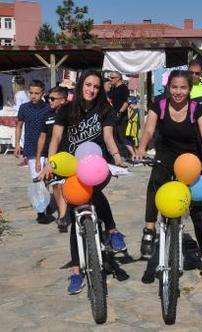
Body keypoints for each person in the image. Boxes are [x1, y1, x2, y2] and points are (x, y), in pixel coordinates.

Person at [40, 70, 128, 294]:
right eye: (88, 85)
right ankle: (76, 272)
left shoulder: (104, 110)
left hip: (96, 164)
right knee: (75, 210)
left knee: (94, 191)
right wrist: (50, 163)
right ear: (80, 86)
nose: (92, 90)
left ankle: (112, 230)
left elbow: (108, 137)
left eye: (96, 86)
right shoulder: (67, 110)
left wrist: (117, 157)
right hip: (71, 166)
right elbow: (56, 138)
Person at [135, 70, 202, 284]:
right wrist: (141, 148)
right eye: (174, 87)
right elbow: (148, 130)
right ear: (168, 88)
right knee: (156, 180)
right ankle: (149, 228)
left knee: (196, 209)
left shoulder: (196, 109)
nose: (178, 92)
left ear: (189, 89)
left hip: (190, 161)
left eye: (183, 87)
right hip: (165, 157)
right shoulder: (160, 105)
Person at [14, 80, 54, 224]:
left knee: (47, 178)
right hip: (31, 148)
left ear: (43, 93)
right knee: (37, 179)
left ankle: (45, 203)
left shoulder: (49, 108)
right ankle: (40, 212)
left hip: (47, 148)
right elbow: (19, 126)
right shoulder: (24, 108)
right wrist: (17, 144)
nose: (33, 96)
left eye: (37, 93)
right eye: (31, 93)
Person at [35, 86, 69, 232]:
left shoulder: (70, 114)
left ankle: (67, 212)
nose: (50, 101)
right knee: (56, 185)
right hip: (51, 156)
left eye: (53, 98)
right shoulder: (47, 116)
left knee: (65, 185)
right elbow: (42, 137)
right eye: (49, 98)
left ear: (63, 100)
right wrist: (38, 159)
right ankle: (62, 216)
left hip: (68, 155)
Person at [107, 71, 134, 159]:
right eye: (109, 78)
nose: (110, 79)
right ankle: (122, 154)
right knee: (116, 136)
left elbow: (126, 102)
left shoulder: (124, 88)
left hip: (122, 116)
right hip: (114, 115)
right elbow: (109, 99)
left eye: (112, 78)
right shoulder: (113, 88)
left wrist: (120, 112)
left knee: (122, 136)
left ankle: (133, 154)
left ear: (118, 78)